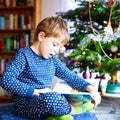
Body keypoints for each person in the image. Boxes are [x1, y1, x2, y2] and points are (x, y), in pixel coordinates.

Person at [0, 16, 101, 120]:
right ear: (41, 36)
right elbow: (6, 80)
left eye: (59, 47)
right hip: (26, 105)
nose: (57, 50)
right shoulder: (23, 55)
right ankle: (76, 110)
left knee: (62, 97)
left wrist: (90, 88)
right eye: (54, 44)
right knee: (52, 99)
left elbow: (70, 76)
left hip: (45, 99)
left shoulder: (52, 60)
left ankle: (56, 115)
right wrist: (33, 91)